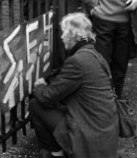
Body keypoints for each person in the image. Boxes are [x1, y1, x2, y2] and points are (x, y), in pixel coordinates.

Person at [29, 12, 118, 158]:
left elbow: (47, 97)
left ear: (73, 35)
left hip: (90, 137)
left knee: (36, 104)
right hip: (106, 134)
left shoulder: (77, 61)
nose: (62, 36)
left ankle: (55, 154)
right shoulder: (96, 55)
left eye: (64, 33)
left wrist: (40, 86)